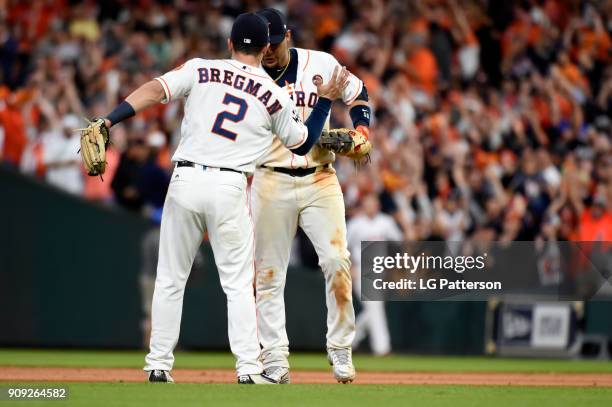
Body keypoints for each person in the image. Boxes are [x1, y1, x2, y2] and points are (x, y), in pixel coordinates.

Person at [96, 12, 350, 384]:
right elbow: (303, 143)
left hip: (184, 180)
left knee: (169, 279)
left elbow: (154, 89)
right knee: (237, 285)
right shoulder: (274, 94)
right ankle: (248, 369)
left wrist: (109, 120)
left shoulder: (200, 69)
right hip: (229, 186)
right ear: (266, 48)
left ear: (230, 43)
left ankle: (158, 364)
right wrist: (325, 102)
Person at [252, 8, 371, 384]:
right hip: (270, 180)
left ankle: (340, 348)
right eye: (261, 45)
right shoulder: (247, 75)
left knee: (337, 260)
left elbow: (358, 92)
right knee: (269, 274)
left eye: (272, 43)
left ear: (287, 36)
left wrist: (363, 130)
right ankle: (274, 361)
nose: (267, 51)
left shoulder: (320, 63)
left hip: (320, 176)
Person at [347, 193, 403, 356]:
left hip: (381, 271)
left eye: (373, 203)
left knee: (372, 309)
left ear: (377, 205)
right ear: (363, 205)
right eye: (367, 203)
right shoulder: (355, 224)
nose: (370, 206)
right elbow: (343, 247)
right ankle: (382, 348)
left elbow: (398, 243)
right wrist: (350, 268)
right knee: (374, 308)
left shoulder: (386, 222)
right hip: (362, 270)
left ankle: (348, 341)